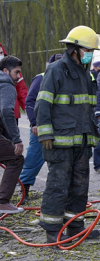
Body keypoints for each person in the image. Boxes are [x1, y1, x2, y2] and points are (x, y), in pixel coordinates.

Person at [35, 26, 100, 243]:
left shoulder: (86, 73)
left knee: (79, 188)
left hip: (82, 142)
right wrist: (45, 134)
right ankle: (53, 232)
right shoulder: (56, 70)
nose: (91, 54)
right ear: (75, 48)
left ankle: (75, 228)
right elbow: (42, 104)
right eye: (88, 50)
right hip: (60, 143)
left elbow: (87, 108)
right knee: (58, 187)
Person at [19, 53, 62, 204]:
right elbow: (29, 102)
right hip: (42, 126)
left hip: (60, 128)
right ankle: (24, 189)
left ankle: (57, 192)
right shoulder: (41, 78)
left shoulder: (66, 79)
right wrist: (34, 123)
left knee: (59, 161)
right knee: (34, 158)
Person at [0, 56, 25, 214]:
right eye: (17, 72)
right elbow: (6, 111)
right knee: (16, 158)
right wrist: (16, 140)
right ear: (5, 71)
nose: (19, 76)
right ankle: (2, 201)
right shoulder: (6, 84)